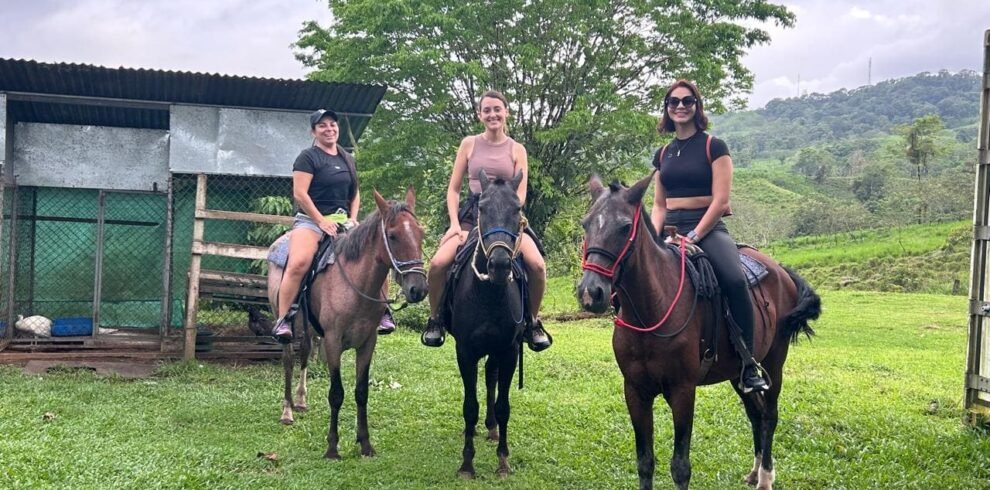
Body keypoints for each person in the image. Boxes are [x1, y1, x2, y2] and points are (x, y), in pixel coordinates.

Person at [649, 80, 769, 393]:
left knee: (733, 279)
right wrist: (651, 235)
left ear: (697, 106)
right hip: (669, 226)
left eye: (687, 101)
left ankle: (747, 361)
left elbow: (721, 201)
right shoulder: (662, 154)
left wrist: (695, 235)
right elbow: (659, 204)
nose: (679, 106)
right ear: (666, 108)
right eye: (673, 101)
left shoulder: (714, 146)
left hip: (707, 227)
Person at [421, 90, 551, 351]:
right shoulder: (469, 144)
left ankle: (532, 322)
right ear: (480, 115)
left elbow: (521, 194)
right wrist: (455, 225)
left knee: (537, 265)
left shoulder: (517, 149)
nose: (492, 114)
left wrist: (505, 210)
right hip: (472, 215)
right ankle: (435, 319)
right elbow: (454, 189)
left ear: (506, 112)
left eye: (497, 109)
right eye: (487, 110)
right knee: (437, 264)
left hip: (506, 218)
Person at [271, 109, 395, 342]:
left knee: (378, 254)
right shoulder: (307, 158)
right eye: (322, 126)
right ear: (314, 131)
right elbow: (300, 194)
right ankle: (284, 319)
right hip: (311, 221)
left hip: (343, 221)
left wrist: (353, 218)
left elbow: (354, 193)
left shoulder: (346, 158)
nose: (329, 129)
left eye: (332, 124)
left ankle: (383, 311)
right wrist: (320, 221)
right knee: (298, 263)